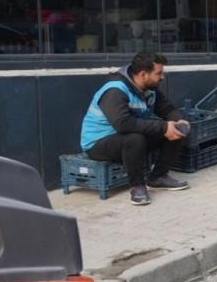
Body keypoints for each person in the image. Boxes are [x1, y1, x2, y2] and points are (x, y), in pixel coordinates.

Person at [80, 52, 190, 205]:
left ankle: (158, 177)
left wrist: (179, 121)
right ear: (144, 74)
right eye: (159, 73)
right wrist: (164, 127)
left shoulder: (150, 89)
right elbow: (122, 124)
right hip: (98, 144)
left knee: (176, 130)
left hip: (128, 139)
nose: (163, 77)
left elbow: (167, 109)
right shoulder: (115, 90)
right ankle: (137, 186)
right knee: (134, 138)